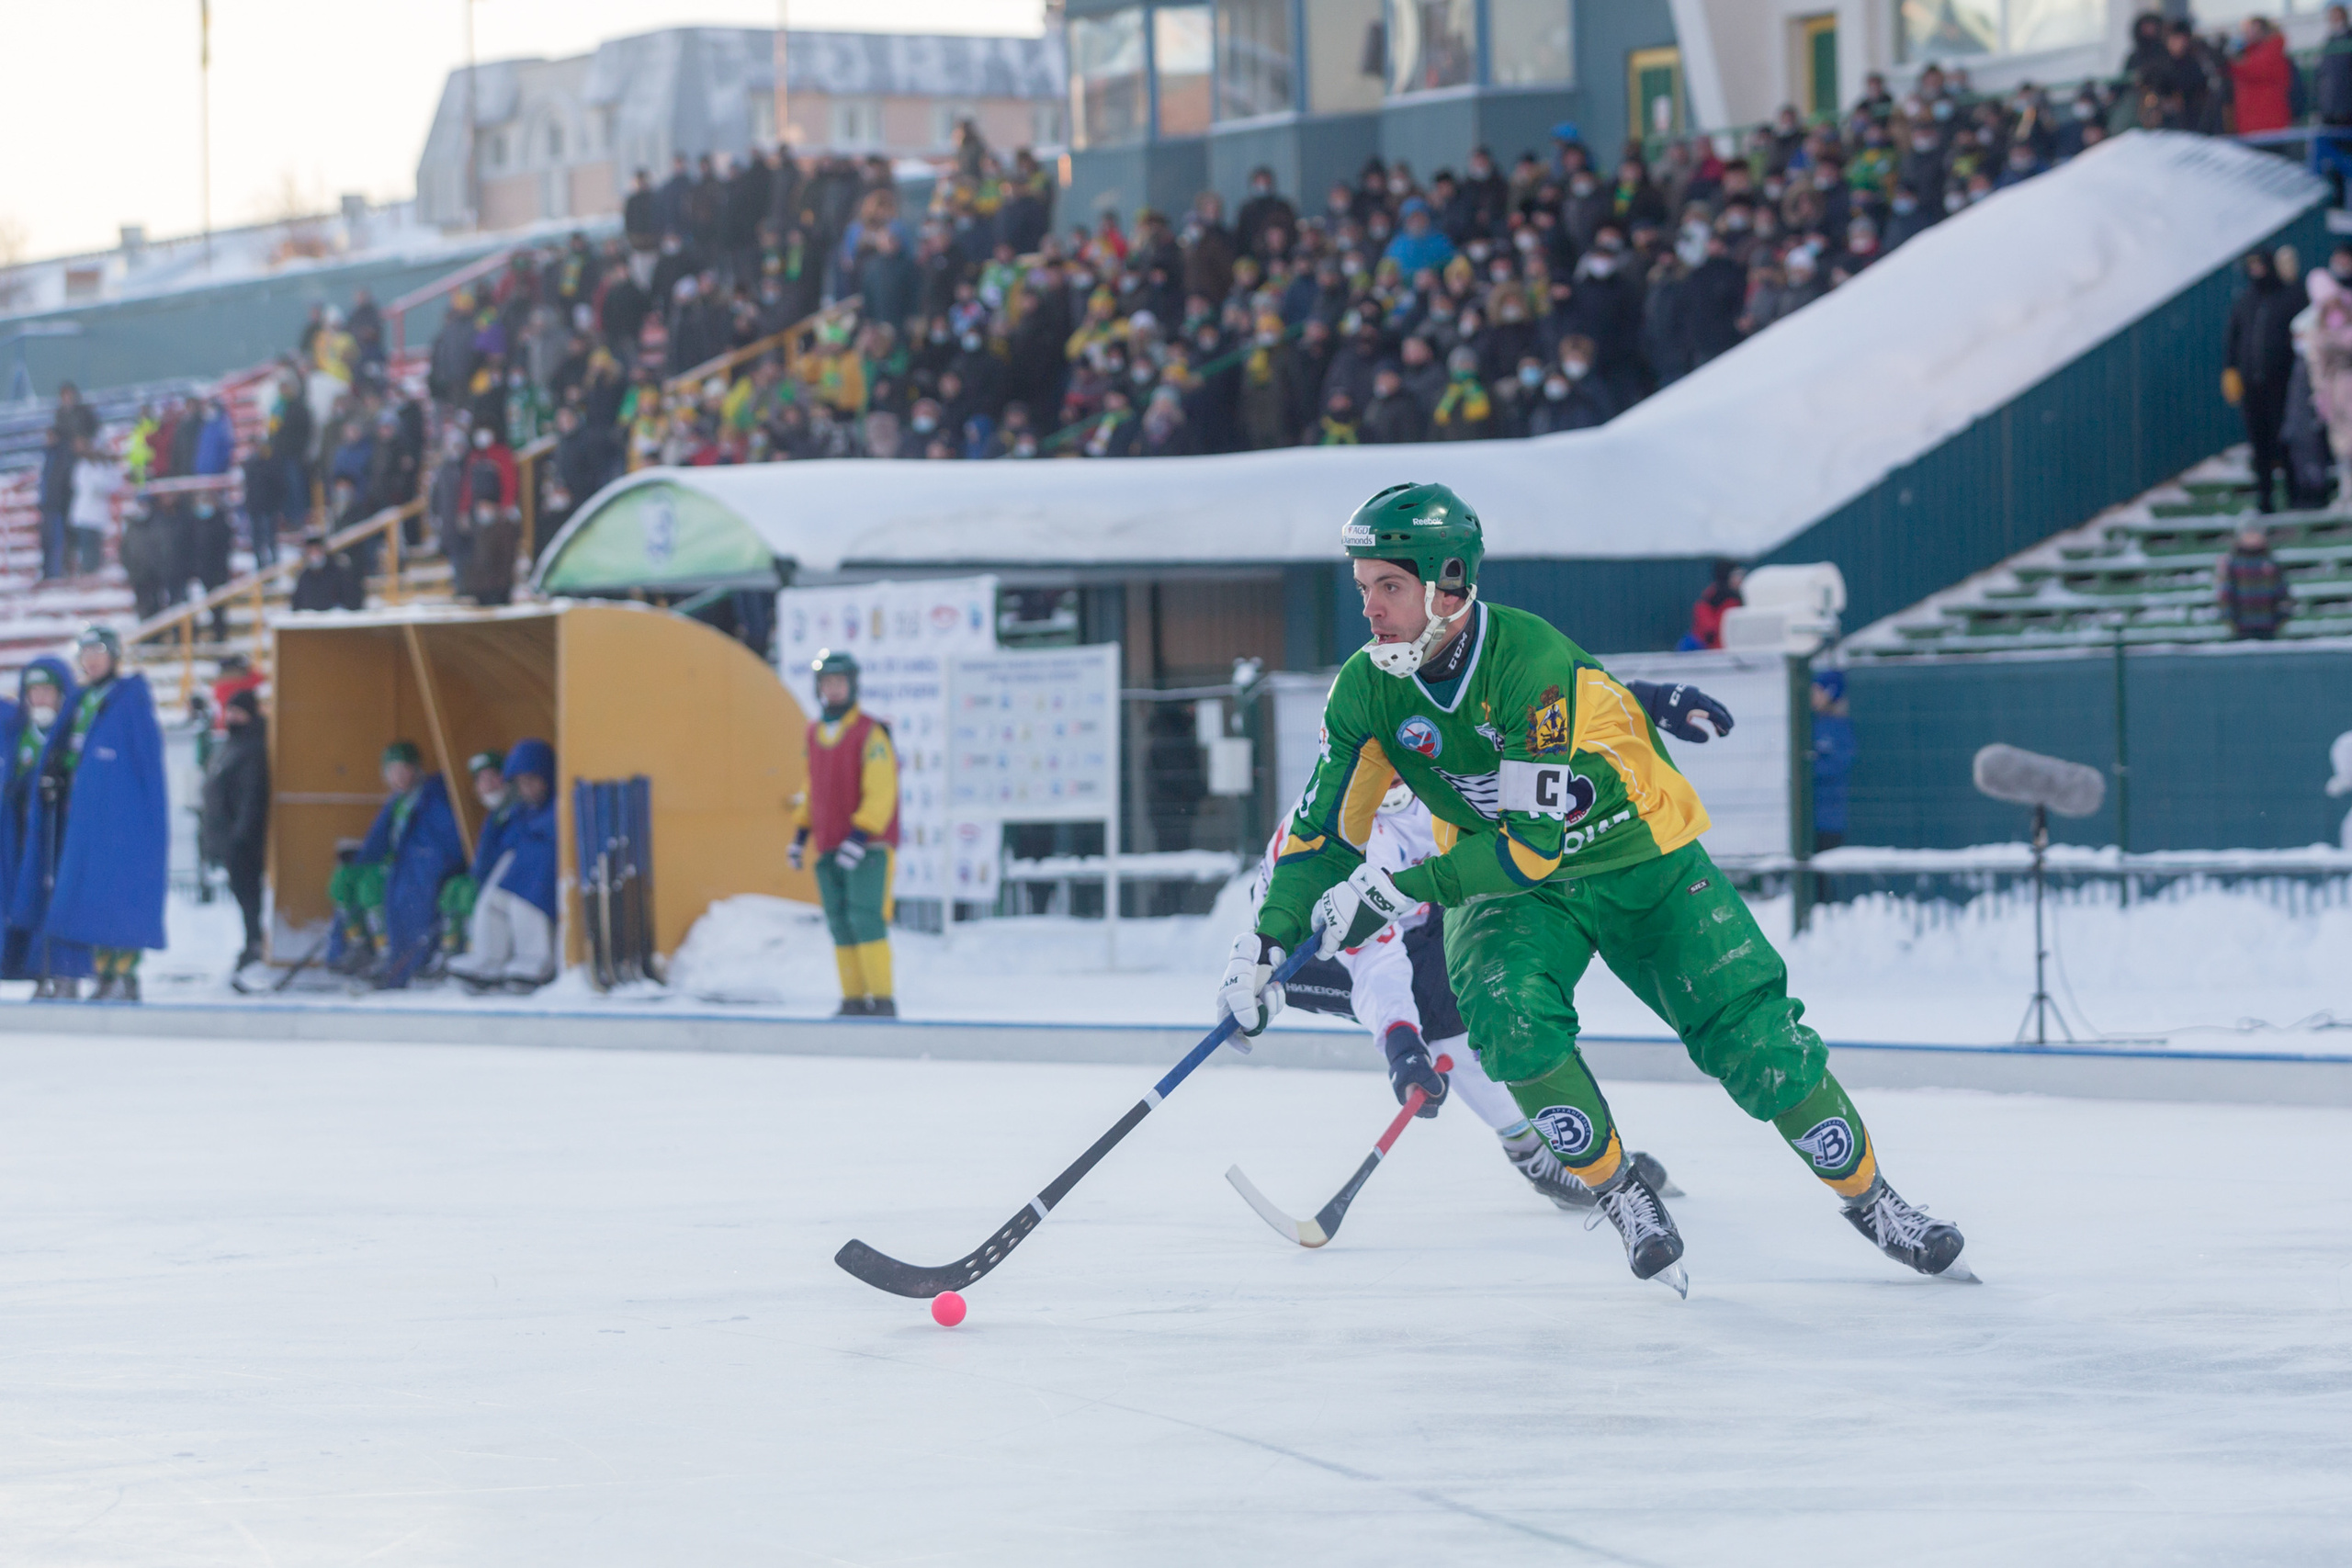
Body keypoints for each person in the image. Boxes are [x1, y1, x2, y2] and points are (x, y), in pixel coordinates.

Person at [1218, 483, 1969, 1292]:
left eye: (1389, 587)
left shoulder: (1529, 660)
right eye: (1362, 587)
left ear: (1451, 584)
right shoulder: (1366, 691)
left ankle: (1874, 1200)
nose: (1369, 609)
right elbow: (1322, 833)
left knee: (1754, 1037)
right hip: (1504, 881)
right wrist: (1266, 939)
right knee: (1506, 1020)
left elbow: (1533, 845)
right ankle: (1619, 1190)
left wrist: (1401, 887)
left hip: (1629, 852)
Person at [25, 627, 170, 1001]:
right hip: (83, 818)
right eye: (85, 652)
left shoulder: (130, 700)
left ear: (115, 655)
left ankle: (120, 972)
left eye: (99, 651)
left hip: (119, 819)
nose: (91, 660)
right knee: (82, 895)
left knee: (118, 893)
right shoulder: (83, 700)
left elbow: (145, 766)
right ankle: (88, 971)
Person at [788, 649, 900, 1017]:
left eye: (840, 683)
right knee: (839, 921)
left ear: (852, 685)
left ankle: (881, 998)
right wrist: (801, 833)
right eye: (827, 684)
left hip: (866, 848)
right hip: (829, 844)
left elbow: (882, 790)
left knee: (865, 918)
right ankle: (852, 997)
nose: (834, 690)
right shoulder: (814, 733)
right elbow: (813, 787)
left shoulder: (870, 732)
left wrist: (861, 834)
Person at [329, 741, 468, 987]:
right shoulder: (397, 802)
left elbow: (445, 845)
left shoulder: (431, 799)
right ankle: (358, 944)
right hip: (396, 866)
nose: (399, 776)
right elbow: (380, 843)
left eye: (404, 769)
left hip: (411, 870)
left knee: (371, 886)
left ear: (416, 770)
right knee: (344, 880)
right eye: (393, 770)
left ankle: (388, 952)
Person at [447, 740, 559, 993]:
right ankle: (489, 957)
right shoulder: (520, 813)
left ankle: (535, 959)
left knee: (525, 906)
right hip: (519, 872)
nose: (527, 788)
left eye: (533, 780)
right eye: (521, 782)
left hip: (539, 877)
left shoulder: (556, 808)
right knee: (491, 902)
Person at [0, 659, 82, 994]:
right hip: (21, 828)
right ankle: (26, 963)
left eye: (48, 691)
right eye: (34, 691)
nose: (41, 699)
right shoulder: (20, 732)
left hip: (57, 828)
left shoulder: (68, 731)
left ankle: (58, 969)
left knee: (55, 893)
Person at [199, 688, 271, 971]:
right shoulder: (231, 745)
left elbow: (252, 794)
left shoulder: (251, 748)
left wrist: (241, 834)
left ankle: (254, 941)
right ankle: (252, 940)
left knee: (249, 892)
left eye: (238, 712)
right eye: (229, 711)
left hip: (242, 838)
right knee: (241, 892)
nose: (232, 717)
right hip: (228, 835)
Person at [2226, 250, 2301, 513]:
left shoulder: (2290, 297)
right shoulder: (2245, 301)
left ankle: (2296, 494)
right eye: (2252, 266)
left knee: (2287, 440)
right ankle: (2265, 498)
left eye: (2261, 264)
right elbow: (2233, 339)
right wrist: (2230, 370)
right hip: (2252, 385)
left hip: (2284, 384)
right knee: (2260, 443)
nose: (2257, 270)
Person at [2216, 525, 2292, 640]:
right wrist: (2230, 619)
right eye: (2248, 534)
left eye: (2255, 534)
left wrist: (2282, 616)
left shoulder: (2271, 562)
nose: (2252, 538)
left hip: (2269, 625)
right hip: (2242, 627)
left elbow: (2282, 592)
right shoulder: (2233, 564)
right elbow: (2226, 594)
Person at [1810, 669, 1857, 855]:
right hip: (1805, 819)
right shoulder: (1809, 722)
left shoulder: (1840, 727)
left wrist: (1808, 766)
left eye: (1817, 691)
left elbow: (1838, 765)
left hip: (1828, 820)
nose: (1812, 697)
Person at [290, 534, 364, 613]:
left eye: (317, 550)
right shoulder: (304, 577)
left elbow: (351, 601)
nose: (314, 555)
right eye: (311, 551)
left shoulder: (338, 574)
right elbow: (297, 605)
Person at [1686, 559, 1744, 649]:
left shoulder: (1711, 597)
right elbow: (1711, 633)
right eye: (1737, 575)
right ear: (1727, 577)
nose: (1740, 579)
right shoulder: (1724, 602)